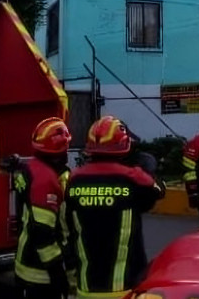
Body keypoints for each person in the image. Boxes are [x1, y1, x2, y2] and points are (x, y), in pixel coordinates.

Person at [64, 115, 164, 299]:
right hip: (124, 287)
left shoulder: (74, 179)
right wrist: (145, 168)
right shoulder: (133, 178)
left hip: (86, 286)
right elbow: (157, 192)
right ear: (124, 146)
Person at [13, 117, 73, 299]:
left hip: (27, 266)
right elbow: (42, 233)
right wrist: (58, 274)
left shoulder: (32, 169)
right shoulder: (46, 181)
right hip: (40, 275)